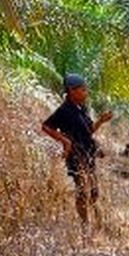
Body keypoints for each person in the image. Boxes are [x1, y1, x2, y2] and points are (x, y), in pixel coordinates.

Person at [41, 73, 112, 227]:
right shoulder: (64, 110)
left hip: (88, 154)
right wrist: (65, 141)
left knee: (93, 192)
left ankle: (96, 222)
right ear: (72, 91)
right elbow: (46, 126)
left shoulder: (82, 108)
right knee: (82, 191)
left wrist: (101, 120)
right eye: (83, 90)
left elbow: (89, 131)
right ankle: (84, 225)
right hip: (75, 156)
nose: (86, 93)